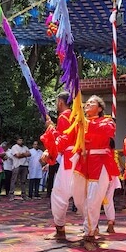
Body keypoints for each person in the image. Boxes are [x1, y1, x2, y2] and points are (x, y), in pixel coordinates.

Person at [72, 95, 116, 251]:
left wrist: (85, 124)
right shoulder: (80, 122)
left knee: (93, 200)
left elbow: (106, 133)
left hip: (100, 163)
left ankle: (89, 234)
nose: (88, 105)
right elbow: (69, 137)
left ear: (100, 108)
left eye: (92, 103)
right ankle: (91, 223)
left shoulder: (107, 121)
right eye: (87, 103)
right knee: (78, 199)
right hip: (83, 162)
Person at [43, 91, 79, 241]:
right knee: (81, 194)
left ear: (60, 102)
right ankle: (91, 229)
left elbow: (63, 140)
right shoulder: (77, 116)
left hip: (70, 157)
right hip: (78, 157)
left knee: (58, 193)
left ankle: (60, 229)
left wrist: (51, 129)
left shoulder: (65, 116)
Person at [8, 137, 31, 201]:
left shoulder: (25, 147)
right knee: (14, 180)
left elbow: (29, 154)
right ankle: (11, 194)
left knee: (23, 181)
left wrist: (21, 154)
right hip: (17, 165)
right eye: (19, 140)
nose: (21, 141)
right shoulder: (14, 147)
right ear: (17, 141)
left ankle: (24, 195)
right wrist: (24, 154)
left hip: (25, 165)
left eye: (22, 140)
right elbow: (17, 156)